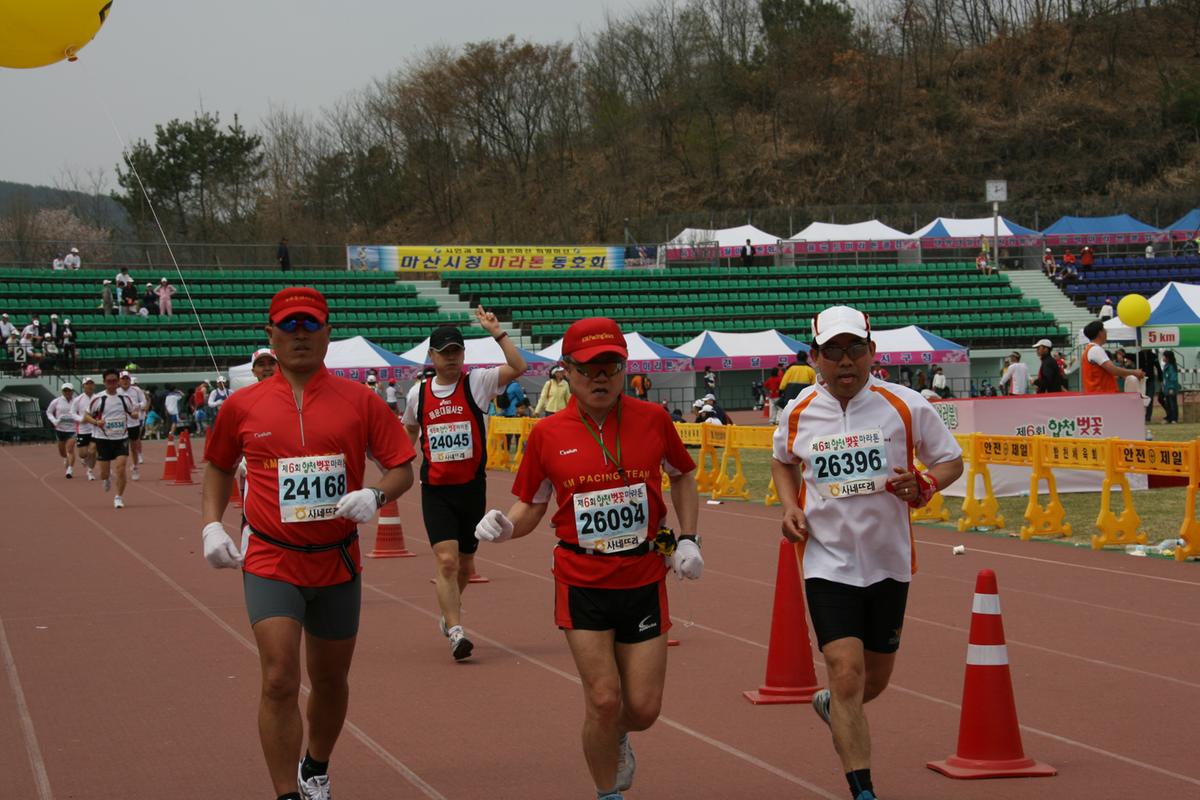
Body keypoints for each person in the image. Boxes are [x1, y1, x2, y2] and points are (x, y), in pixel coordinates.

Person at [200, 286, 416, 800]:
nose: (300, 335)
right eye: (289, 326)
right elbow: (218, 467)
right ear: (270, 334)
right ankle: (286, 793)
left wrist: (376, 495)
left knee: (331, 679)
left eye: (310, 325)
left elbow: (402, 468)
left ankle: (315, 766)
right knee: (278, 676)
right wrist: (211, 524)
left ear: (327, 333)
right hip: (271, 557)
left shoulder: (361, 401)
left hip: (337, 560)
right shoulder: (242, 405)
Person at [474, 316, 703, 800]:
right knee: (602, 698)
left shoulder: (654, 419)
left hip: (643, 577)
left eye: (611, 367)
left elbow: (683, 475)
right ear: (566, 370)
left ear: (625, 369)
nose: (600, 377)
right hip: (582, 581)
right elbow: (531, 505)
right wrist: (505, 528)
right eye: (588, 368)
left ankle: (615, 734)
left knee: (643, 709)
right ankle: (607, 792)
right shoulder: (547, 434)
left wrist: (689, 539)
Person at [771, 305, 963, 800]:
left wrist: (924, 483)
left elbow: (950, 461)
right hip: (826, 561)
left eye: (855, 348)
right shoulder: (798, 411)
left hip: (888, 561)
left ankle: (833, 705)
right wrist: (790, 506)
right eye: (832, 351)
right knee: (845, 672)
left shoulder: (906, 405)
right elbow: (782, 461)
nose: (845, 360)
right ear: (814, 357)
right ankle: (863, 789)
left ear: (872, 352)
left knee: (871, 682)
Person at [402, 312, 526, 660]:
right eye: (444, 352)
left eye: (456, 351)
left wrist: (497, 333)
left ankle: (449, 610)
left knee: (466, 566)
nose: (451, 358)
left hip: (471, 488)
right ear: (432, 356)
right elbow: (410, 428)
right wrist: (400, 461)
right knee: (446, 561)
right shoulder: (418, 394)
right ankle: (456, 632)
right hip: (436, 490)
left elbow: (518, 367)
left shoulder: (478, 382)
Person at [83, 368, 139, 509]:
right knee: (104, 473)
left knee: (121, 468)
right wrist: (96, 422)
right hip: (103, 439)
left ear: (118, 382)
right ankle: (106, 478)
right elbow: (86, 416)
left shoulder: (124, 398)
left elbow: (132, 412)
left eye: (114, 381)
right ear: (104, 382)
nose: (112, 384)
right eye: (109, 381)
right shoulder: (98, 399)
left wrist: (134, 415)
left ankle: (118, 497)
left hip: (121, 438)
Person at [1081, 320, 1143, 394]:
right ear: (1100, 333)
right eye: (1104, 330)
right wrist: (1134, 372)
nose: (1106, 332)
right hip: (1102, 394)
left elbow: (1105, 372)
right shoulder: (1096, 349)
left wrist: (1123, 375)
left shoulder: (1088, 349)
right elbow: (1113, 370)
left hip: (1096, 393)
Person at [46, 382, 79, 478]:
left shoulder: (76, 401)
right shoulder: (56, 401)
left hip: (72, 429)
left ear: (72, 391)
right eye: (65, 390)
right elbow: (49, 412)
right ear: (62, 391)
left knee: (70, 449)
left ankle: (70, 469)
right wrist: (54, 421)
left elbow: (82, 412)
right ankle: (65, 458)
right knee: (62, 452)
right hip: (60, 429)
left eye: (69, 390)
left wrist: (78, 419)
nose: (67, 392)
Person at [120, 371, 149, 477]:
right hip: (120, 424)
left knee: (133, 447)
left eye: (127, 379)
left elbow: (144, 402)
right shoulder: (117, 392)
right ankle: (119, 468)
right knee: (120, 448)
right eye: (123, 379)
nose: (125, 381)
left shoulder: (136, 390)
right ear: (119, 381)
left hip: (133, 423)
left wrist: (136, 406)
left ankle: (135, 467)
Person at [72, 377, 98, 481]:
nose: (89, 386)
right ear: (83, 386)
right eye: (87, 384)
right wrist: (81, 419)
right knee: (83, 454)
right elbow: (72, 413)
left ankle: (90, 471)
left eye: (91, 384)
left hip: (95, 429)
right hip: (82, 430)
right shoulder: (78, 399)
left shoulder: (98, 398)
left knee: (93, 451)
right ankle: (84, 459)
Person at [1139, 348, 1163, 423]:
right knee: (1140, 398)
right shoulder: (1139, 354)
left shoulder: (1153, 355)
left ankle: (1148, 417)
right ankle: (1140, 416)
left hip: (1150, 380)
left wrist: (1161, 379)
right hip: (1141, 380)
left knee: (1150, 398)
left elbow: (1158, 367)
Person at [1161, 350, 1180, 423]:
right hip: (1166, 387)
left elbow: (1173, 378)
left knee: (1172, 403)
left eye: (1164, 356)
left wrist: (1171, 388)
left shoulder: (1171, 366)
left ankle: (1174, 418)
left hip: (1171, 388)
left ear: (1167, 358)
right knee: (1168, 403)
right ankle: (1169, 417)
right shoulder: (1166, 366)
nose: (1163, 358)